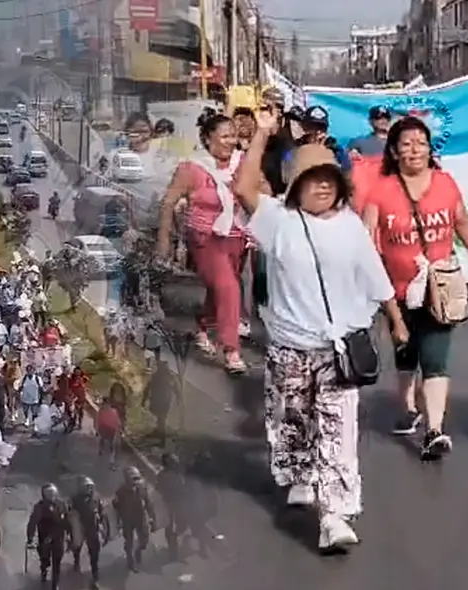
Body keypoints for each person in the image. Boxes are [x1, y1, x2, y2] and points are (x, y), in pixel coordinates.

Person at [232, 109, 403, 550]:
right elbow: (244, 187)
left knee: (337, 429)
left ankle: (334, 516)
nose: (323, 185)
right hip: (290, 346)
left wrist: (396, 318)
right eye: (313, 179)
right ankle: (300, 475)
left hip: (338, 349)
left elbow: (374, 273)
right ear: (296, 186)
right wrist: (263, 135)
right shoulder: (278, 221)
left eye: (329, 178)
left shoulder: (350, 225)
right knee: (293, 420)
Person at [361, 116, 468, 460]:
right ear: (393, 150)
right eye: (406, 143)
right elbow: (365, 237)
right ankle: (407, 405)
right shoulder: (382, 189)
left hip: (441, 286)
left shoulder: (446, 183)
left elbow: (463, 224)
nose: (414, 149)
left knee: (435, 357)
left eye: (420, 142)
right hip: (398, 289)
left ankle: (434, 429)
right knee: (406, 350)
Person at [157, 110, 248, 373]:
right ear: (208, 139)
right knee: (229, 288)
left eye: (234, 136)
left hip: (237, 237)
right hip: (205, 239)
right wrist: (164, 239)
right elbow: (168, 202)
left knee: (220, 289)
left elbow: (260, 191)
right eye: (225, 136)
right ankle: (231, 351)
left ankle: (203, 326)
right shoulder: (192, 168)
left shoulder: (242, 164)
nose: (231, 141)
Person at [68, 476, 109, 589]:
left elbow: (103, 514)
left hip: (92, 528)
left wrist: (105, 531)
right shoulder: (74, 499)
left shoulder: (96, 499)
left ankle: (95, 575)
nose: (89, 489)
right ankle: (76, 561)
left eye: (90, 487)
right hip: (80, 528)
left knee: (94, 553)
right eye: (86, 487)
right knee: (77, 547)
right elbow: (69, 515)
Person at [27, 483, 70, 590]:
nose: (51, 495)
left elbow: (67, 521)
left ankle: (55, 584)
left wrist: (70, 534)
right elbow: (33, 522)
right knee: (44, 557)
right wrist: (30, 537)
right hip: (45, 538)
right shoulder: (40, 507)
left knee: (57, 561)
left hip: (59, 538)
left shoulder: (61, 505)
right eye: (48, 493)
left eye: (52, 493)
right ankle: (44, 569)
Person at [113, 466, 156, 572]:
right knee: (129, 541)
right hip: (127, 520)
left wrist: (153, 519)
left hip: (140, 517)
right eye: (133, 479)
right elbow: (117, 509)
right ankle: (130, 562)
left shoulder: (142, 489)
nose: (136, 481)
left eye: (137, 478)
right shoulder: (120, 491)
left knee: (144, 541)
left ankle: (138, 551)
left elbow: (149, 504)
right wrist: (117, 523)